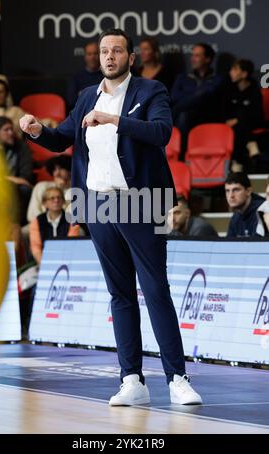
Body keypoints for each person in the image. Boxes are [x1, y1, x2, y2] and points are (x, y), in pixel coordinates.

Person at [20, 28, 202, 406]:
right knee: (120, 294)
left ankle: (177, 378)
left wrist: (115, 120)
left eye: (117, 50)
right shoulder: (87, 96)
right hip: (98, 205)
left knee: (155, 290)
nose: (109, 56)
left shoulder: (150, 92)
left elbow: (162, 133)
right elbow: (62, 138)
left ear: (130, 58)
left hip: (143, 201)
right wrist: (38, 132)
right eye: (104, 50)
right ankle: (131, 379)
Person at [171, 43, 223, 157]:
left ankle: (182, 156)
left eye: (197, 56)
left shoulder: (218, 78)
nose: (193, 59)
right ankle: (181, 157)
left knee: (182, 112)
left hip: (208, 117)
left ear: (207, 59)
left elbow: (207, 94)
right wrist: (197, 94)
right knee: (184, 114)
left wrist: (187, 96)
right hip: (186, 117)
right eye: (192, 55)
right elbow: (174, 97)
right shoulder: (182, 77)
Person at [221, 59, 263, 171]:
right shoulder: (228, 87)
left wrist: (238, 119)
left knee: (242, 116)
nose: (231, 72)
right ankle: (251, 144)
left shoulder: (254, 88)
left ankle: (236, 162)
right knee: (238, 126)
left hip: (253, 121)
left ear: (244, 74)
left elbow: (256, 112)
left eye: (235, 70)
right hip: (235, 125)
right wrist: (231, 120)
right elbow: (223, 109)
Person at [0, 116, 33, 225]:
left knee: (23, 189)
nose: (11, 133)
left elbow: (26, 178)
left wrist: (3, 178)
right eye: (6, 130)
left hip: (15, 185)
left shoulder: (21, 146)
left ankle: (17, 224)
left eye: (11, 129)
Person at [29, 186, 80, 264]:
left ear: (63, 201)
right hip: (43, 263)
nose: (56, 200)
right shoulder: (37, 221)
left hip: (67, 263)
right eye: (52, 198)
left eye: (59, 197)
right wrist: (44, 266)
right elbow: (36, 248)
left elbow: (71, 246)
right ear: (44, 203)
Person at [27, 155, 72, 223]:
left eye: (61, 169)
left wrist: (61, 188)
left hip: (65, 228)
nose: (57, 173)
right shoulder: (41, 186)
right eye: (54, 169)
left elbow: (72, 218)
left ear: (70, 170)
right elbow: (31, 215)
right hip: (39, 226)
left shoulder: (76, 191)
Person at [225, 172, 265, 237]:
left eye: (236, 190)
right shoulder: (235, 218)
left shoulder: (262, 211)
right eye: (227, 191)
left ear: (248, 191)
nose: (231, 195)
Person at [66, 42, 103, 111]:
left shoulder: (106, 76)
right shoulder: (77, 77)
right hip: (82, 113)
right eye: (89, 54)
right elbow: (71, 101)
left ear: (100, 55)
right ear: (85, 56)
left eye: (95, 54)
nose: (92, 57)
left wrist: (83, 95)